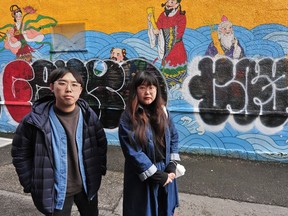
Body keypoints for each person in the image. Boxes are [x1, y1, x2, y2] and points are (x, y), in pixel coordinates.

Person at [11, 67, 108, 216]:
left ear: (80, 90)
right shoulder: (35, 121)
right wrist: (30, 183)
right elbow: (20, 153)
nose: (69, 89)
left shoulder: (89, 116)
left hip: (87, 186)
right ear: (52, 87)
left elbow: (100, 144)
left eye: (74, 85)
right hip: (55, 190)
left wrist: (99, 170)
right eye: (62, 83)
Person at [118, 70, 181, 216]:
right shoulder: (128, 117)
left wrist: (172, 165)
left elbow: (174, 137)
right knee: (143, 211)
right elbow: (133, 152)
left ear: (157, 90)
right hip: (143, 176)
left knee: (166, 209)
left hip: (165, 171)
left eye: (151, 87)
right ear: (135, 91)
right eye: (142, 87)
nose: (148, 92)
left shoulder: (164, 111)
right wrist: (157, 175)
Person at [148, 0, 187, 88]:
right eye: (168, 2)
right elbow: (157, 29)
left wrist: (161, 32)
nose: (169, 4)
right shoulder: (162, 15)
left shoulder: (181, 17)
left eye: (172, 2)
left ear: (177, 4)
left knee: (179, 79)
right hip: (165, 50)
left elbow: (178, 33)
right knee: (165, 79)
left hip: (177, 50)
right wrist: (151, 22)